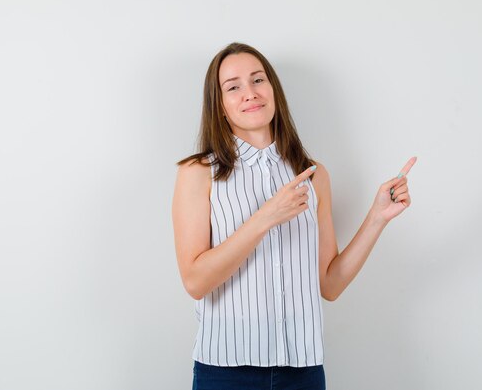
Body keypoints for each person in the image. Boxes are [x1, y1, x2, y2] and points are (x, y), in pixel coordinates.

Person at [172, 42, 416, 390]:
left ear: (274, 90)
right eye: (234, 86)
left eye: (258, 80)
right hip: (225, 372)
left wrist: (378, 217)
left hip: (302, 372)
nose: (250, 93)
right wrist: (265, 217)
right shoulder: (198, 173)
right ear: (221, 106)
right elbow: (195, 281)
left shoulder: (314, 175)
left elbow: (329, 285)